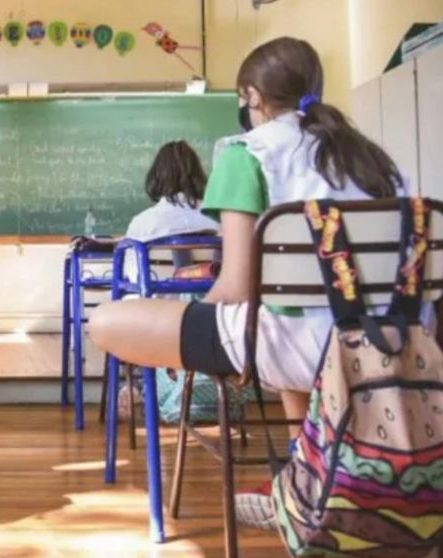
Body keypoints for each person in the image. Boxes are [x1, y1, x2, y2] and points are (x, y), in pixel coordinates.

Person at [87, 37, 412, 531]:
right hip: (396, 344)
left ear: (252, 96)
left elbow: (236, 286)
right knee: (284, 317)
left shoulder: (245, 153)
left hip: (305, 351)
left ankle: (307, 480)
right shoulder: (371, 159)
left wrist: (183, 345)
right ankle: (309, 473)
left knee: (108, 321)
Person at [124, 140, 218, 242]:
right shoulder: (219, 222)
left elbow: (129, 257)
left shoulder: (142, 224)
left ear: (156, 176)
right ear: (199, 176)